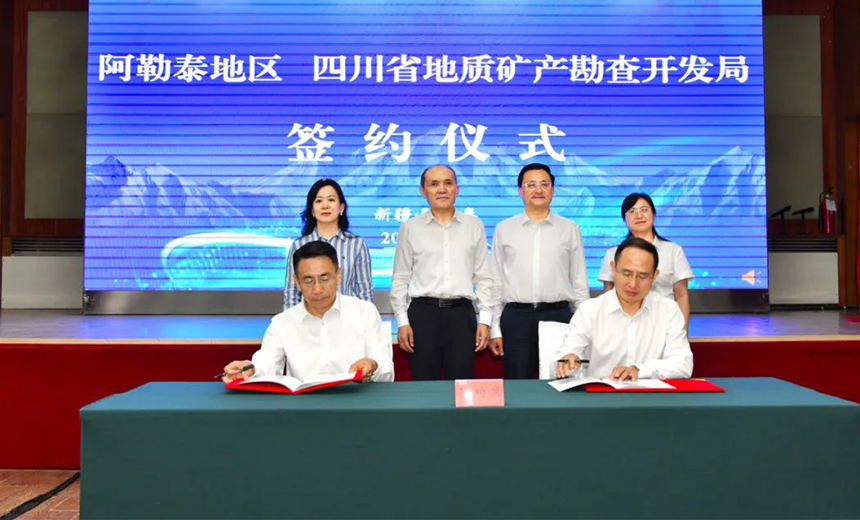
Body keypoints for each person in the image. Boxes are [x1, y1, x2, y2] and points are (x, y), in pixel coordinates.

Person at [224, 241, 393, 383]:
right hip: (302, 406)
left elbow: (386, 370)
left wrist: (373, 365)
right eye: (308, 280)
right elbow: (266, 366)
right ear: (297, 282)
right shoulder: (283, 322)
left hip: (356, 404)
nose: (318, 289)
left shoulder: (364, 312)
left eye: (325, 278)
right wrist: (249, 370)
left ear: (338, 275)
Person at [390, 165, 494, 380]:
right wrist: (402, 322)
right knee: (423, 386)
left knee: (462, 385)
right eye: (434, 184)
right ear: (423, 191)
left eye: (448, 183)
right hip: (422, 316)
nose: (442, 189)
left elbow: (484, 278)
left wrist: (485, 320)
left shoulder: (473, 225)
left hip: (461, 316)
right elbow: (400, 278)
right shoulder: (410, 228)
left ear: (457, 189)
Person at [488, 163, 590, 379]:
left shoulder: (569, 228)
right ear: (520, 191)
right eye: (531, 185)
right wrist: (494, 328)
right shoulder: (504, 229)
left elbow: (580, 282)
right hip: (516, 317)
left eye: (544, 184)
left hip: (558, 315)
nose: (538, 190)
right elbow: (495, 282)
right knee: (517, 386)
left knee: (561, 382)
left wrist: (584, 325)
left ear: (553, 190)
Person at [557, 237, 693, 381]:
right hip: (600, 392)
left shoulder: (668, 310)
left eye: (642, 276)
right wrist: (569, 359)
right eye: (627, 274)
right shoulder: (589, 310)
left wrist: (639, 370)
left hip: (649, 393)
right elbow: (569, 351)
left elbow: (683, 364)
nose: (633, 284)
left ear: (655, 276)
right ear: (613, 269)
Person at [598, 193, 693, 329]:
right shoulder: (612, 254)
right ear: (624, 219)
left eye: (644, 210)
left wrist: (683, 332)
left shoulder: (673, 250)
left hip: (664, 323)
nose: (639, 215)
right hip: (624, 325)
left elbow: (682, 295)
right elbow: (608, 296)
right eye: (632, 211)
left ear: (653, 214)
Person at [284, 178, 372, 309]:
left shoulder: (357, 245)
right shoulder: (299, 246)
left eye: (331, 200)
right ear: (312, 210)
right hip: (309, 318)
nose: (325, 205)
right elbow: (291, 295)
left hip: (348, 318)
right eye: (319, 201)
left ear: (341, 208)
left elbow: (365, 294)